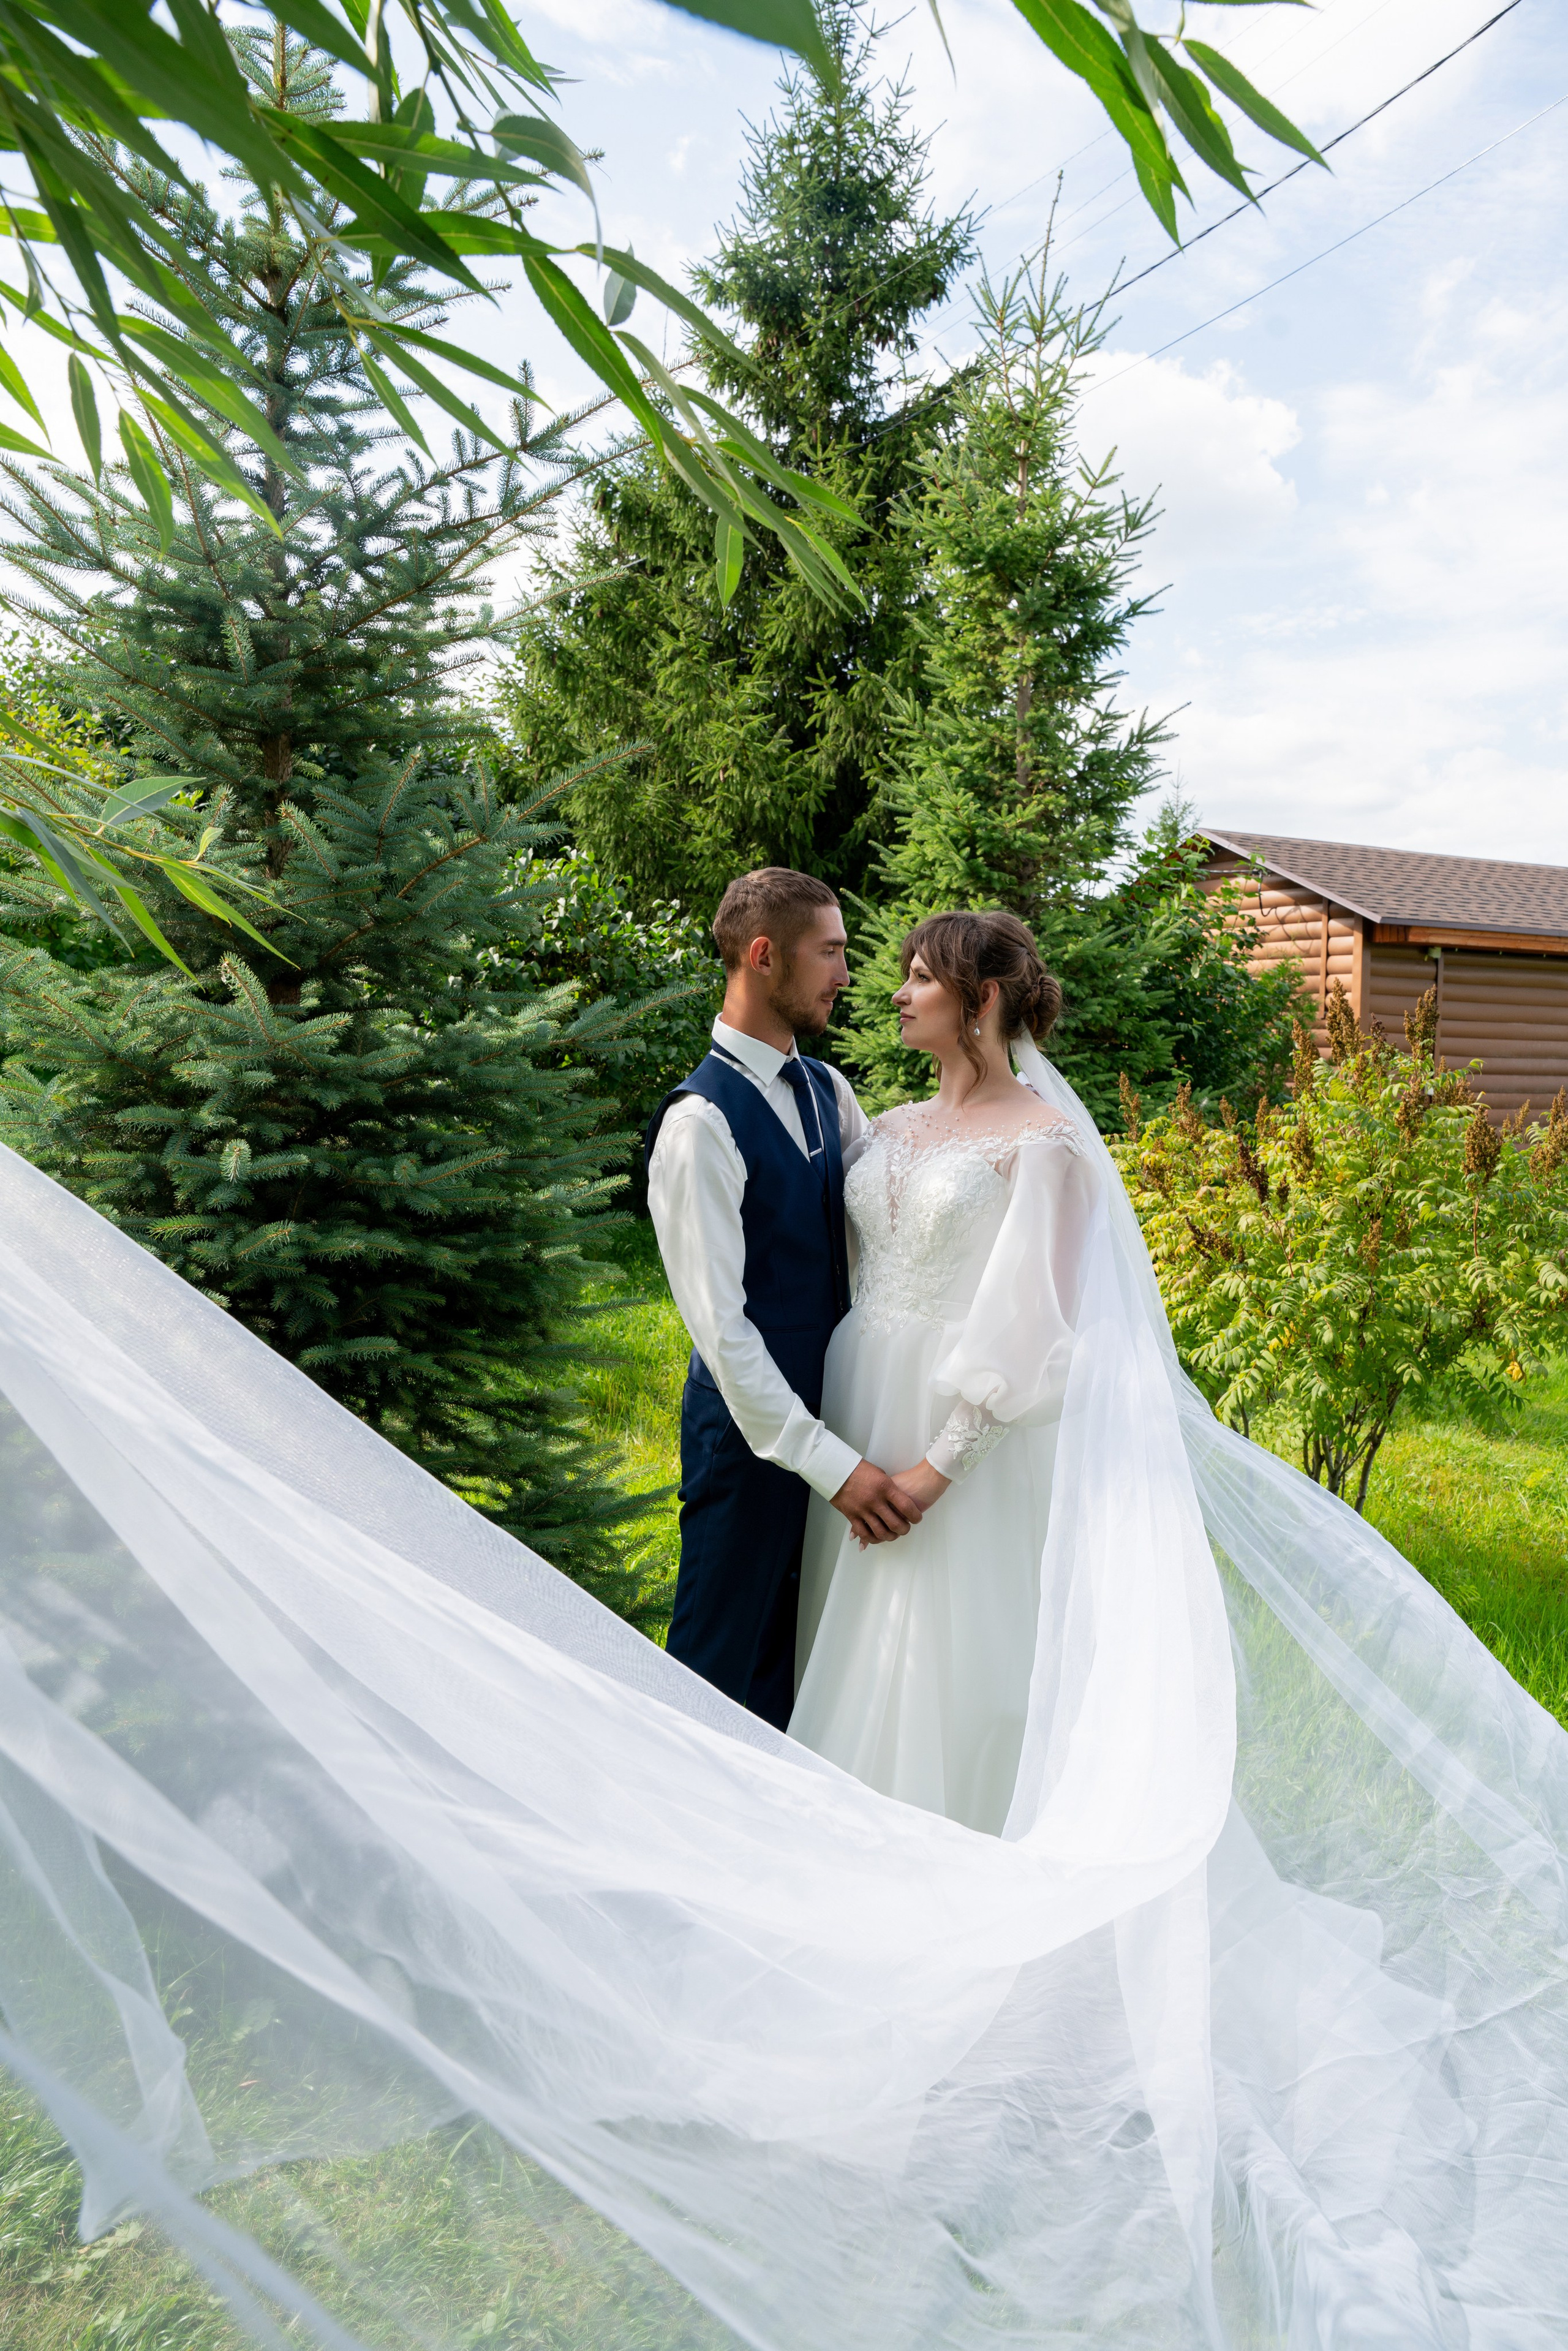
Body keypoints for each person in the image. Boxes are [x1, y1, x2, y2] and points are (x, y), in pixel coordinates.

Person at [790, 908, 1096, 1833]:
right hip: (857, 1401)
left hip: (956, 1430)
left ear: (982, 998)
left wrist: (934, 1473)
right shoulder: (884, 1124)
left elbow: (1037, 1329)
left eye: (922, 976)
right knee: (853, 1634)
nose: (897, 990)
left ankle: (945, 1856)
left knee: (947, 1654)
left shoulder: (1045, 1145)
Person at [644, 866, 924, 1730]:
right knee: (717, 1679)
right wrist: (837, 1470)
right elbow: (726, 1339)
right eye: (831, 952)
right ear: (763, 957)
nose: (847, 974)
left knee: (805, 1680)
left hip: (845, 1422)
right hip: (753, 1449)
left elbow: (886, 1228)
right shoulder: (700, 1126)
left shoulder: (829, 1089)